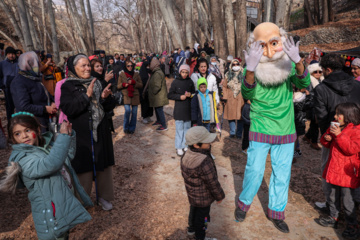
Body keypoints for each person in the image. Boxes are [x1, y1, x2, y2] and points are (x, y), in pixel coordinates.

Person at [234, 22, 310, 233]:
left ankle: (276, 212)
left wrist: (298, 60)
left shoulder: (289, 65)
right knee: (254, 170)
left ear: (282, 41)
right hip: (260, 127)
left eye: (274, 43)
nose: (268, 51)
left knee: (282, 173)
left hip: (285, 130)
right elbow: (247, 94)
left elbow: (304, 84)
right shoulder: (253, 66)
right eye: (262, 45)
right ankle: (244, 203)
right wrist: (250, 69)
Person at [0, 112, 92, 240]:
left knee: (64, 235)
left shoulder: (46, 147)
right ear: (13, 138)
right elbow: (51, 164)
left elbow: (66, 156)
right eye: (18, 133)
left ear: (37, 130)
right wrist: (63, 137)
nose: (24, 136)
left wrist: (69, 137)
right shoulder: (23, 160)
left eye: (27, 130)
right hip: (50, 216)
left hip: (61, 206)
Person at [60, 54, 116, 211]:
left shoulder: (97, 81)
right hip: (82, 134)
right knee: (83, 167)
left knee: (103, 164)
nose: (87, 68)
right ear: (74, 68)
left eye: (88, 65)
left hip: (100, 130)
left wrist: (105, 98)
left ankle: (104, 196)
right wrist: (87, 96)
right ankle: (82, 200)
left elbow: (109, 107)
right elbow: (69, 109)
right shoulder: (68, 86)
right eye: (83, 66)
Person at [313, 53, 360, 214]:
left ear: (328, 69)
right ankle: (351, 208)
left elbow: (322, 116)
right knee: (353, 171)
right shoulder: (357, 85)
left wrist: (328, 137)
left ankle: (332, 208)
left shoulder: (321, 89)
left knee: (329, 172)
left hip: (332, 135)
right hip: (355, 137)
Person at [315, 103, 360, 239]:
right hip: (334, 169)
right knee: (333, 195)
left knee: (348, 200)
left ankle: (352, 224)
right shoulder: (336, 125)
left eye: (338, 114)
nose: (335, 116)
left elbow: (351, 149)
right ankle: (333, 217)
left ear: (348, 115)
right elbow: (325, 141)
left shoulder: (357, 130)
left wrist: (339, 135)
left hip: (347, 173)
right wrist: (327, 138)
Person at [181, 126, 225, 240]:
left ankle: (191, 230)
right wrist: (219, 196)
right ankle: (201, 237)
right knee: (203, 219)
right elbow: (212, 182)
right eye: (206, 141)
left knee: (194, 212)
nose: (210, 143)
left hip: (193, 196)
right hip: (204, 199)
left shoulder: (186, 155)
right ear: (196, 145)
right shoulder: (204, 161)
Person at [11, 51, 57, 131]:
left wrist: (52, 101)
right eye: (37, 63)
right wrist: (44, 109)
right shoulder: (19, 82)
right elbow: (23, 107)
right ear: (29, 65)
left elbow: (44, 93)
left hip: (44, 122)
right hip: (32, 125)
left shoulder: (34, 78)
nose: (40, 66)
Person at [167, 64, 195, 156]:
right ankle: (178, 146)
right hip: (179, 109)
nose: (184, 74)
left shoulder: (190, 82)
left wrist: (190, 95)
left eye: (186, 72)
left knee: (187, 128)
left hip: (188, 109)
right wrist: (180, 97)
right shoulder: (175, 82)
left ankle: (185, 145)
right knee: (179, 129)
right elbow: (170, 95)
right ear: (180, 72)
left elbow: (194, 93)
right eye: (183, 72)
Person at [303, 61, 324, 150]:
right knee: (316, 123)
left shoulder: (321, 80)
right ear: (311, 72)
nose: (318, 73)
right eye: (315, 71)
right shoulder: (309, 81)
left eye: (320, 71)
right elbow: (308, 94)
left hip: (318, 104)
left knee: (314, 124)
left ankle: (307, 136)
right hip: (313, 105)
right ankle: (314, 142)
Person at [118, 60, 143, 134]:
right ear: (125, 66)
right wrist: (123, 85)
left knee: (134, 113)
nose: (130, 67)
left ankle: (132, 128)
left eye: (131, 66)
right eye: (128, 66)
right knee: (128, 110)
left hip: (135, 95)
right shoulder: (122, 74)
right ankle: (125, 127)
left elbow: (141, 85)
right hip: (126, 95)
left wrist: (134, 82)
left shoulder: (136, 74)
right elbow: (118, 86)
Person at [90, 58, 115, 131]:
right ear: (92, 68)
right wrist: (105, 81)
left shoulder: (102, 78)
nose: (100, 68)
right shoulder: (92, 80)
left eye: (101, 66)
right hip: (98, 116)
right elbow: (97, 96)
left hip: (106, 113)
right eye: (97, 66)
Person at [222, 59, 244, 139]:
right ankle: (232, 132)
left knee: (240, 117)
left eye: (237, 64)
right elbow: (224, 86)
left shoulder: (243, 73)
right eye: (233, 64)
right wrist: (225, 97)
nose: (235, 66)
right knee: (230, 116)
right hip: (230, 97)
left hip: (241, 97)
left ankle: (239, 133)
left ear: (239, 64)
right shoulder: (228, 74)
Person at [146, 57, 169, 131]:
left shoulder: (157, 73)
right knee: (157, 109)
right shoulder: (156, 72)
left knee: (159, 110)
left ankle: (164, 125)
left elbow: (157, 86)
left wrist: (153, 92)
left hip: (158, 96)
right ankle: (159, 121)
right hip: (157, 96)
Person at [0, 46, 19, 122]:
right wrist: (2, 86)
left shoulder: (19, 63)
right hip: (7, 88)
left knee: (19, 106)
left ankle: (20, 122)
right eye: (9, 54)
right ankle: (10, 123)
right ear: (6, 54)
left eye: (13, 54)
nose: (11, 56)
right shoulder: (2, 64)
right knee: (9, 107)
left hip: (19, 88)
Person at [139, 57, 153, 123]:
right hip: (143, 91)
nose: (148, 67)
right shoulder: (142, 73)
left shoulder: (149, 72)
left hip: (149, 92)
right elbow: (142, 82)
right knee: (144, 105)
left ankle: (149, 116)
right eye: (147, 66)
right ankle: (144, 117)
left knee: (150, 105)